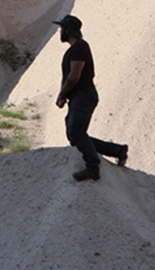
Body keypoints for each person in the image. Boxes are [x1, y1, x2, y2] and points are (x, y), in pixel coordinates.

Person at [53, 14, 128, 181]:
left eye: (61, 29)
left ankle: (93, 167)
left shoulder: (80, 47)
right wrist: (65, 95)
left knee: (76, 131)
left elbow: (74, 76)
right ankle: (118, 151)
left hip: (84, 95)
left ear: (67, 30)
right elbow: (69, 77)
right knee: (75, 134)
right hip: (78, 96)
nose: (60, 32)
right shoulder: (75, 49)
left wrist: (61, 94)